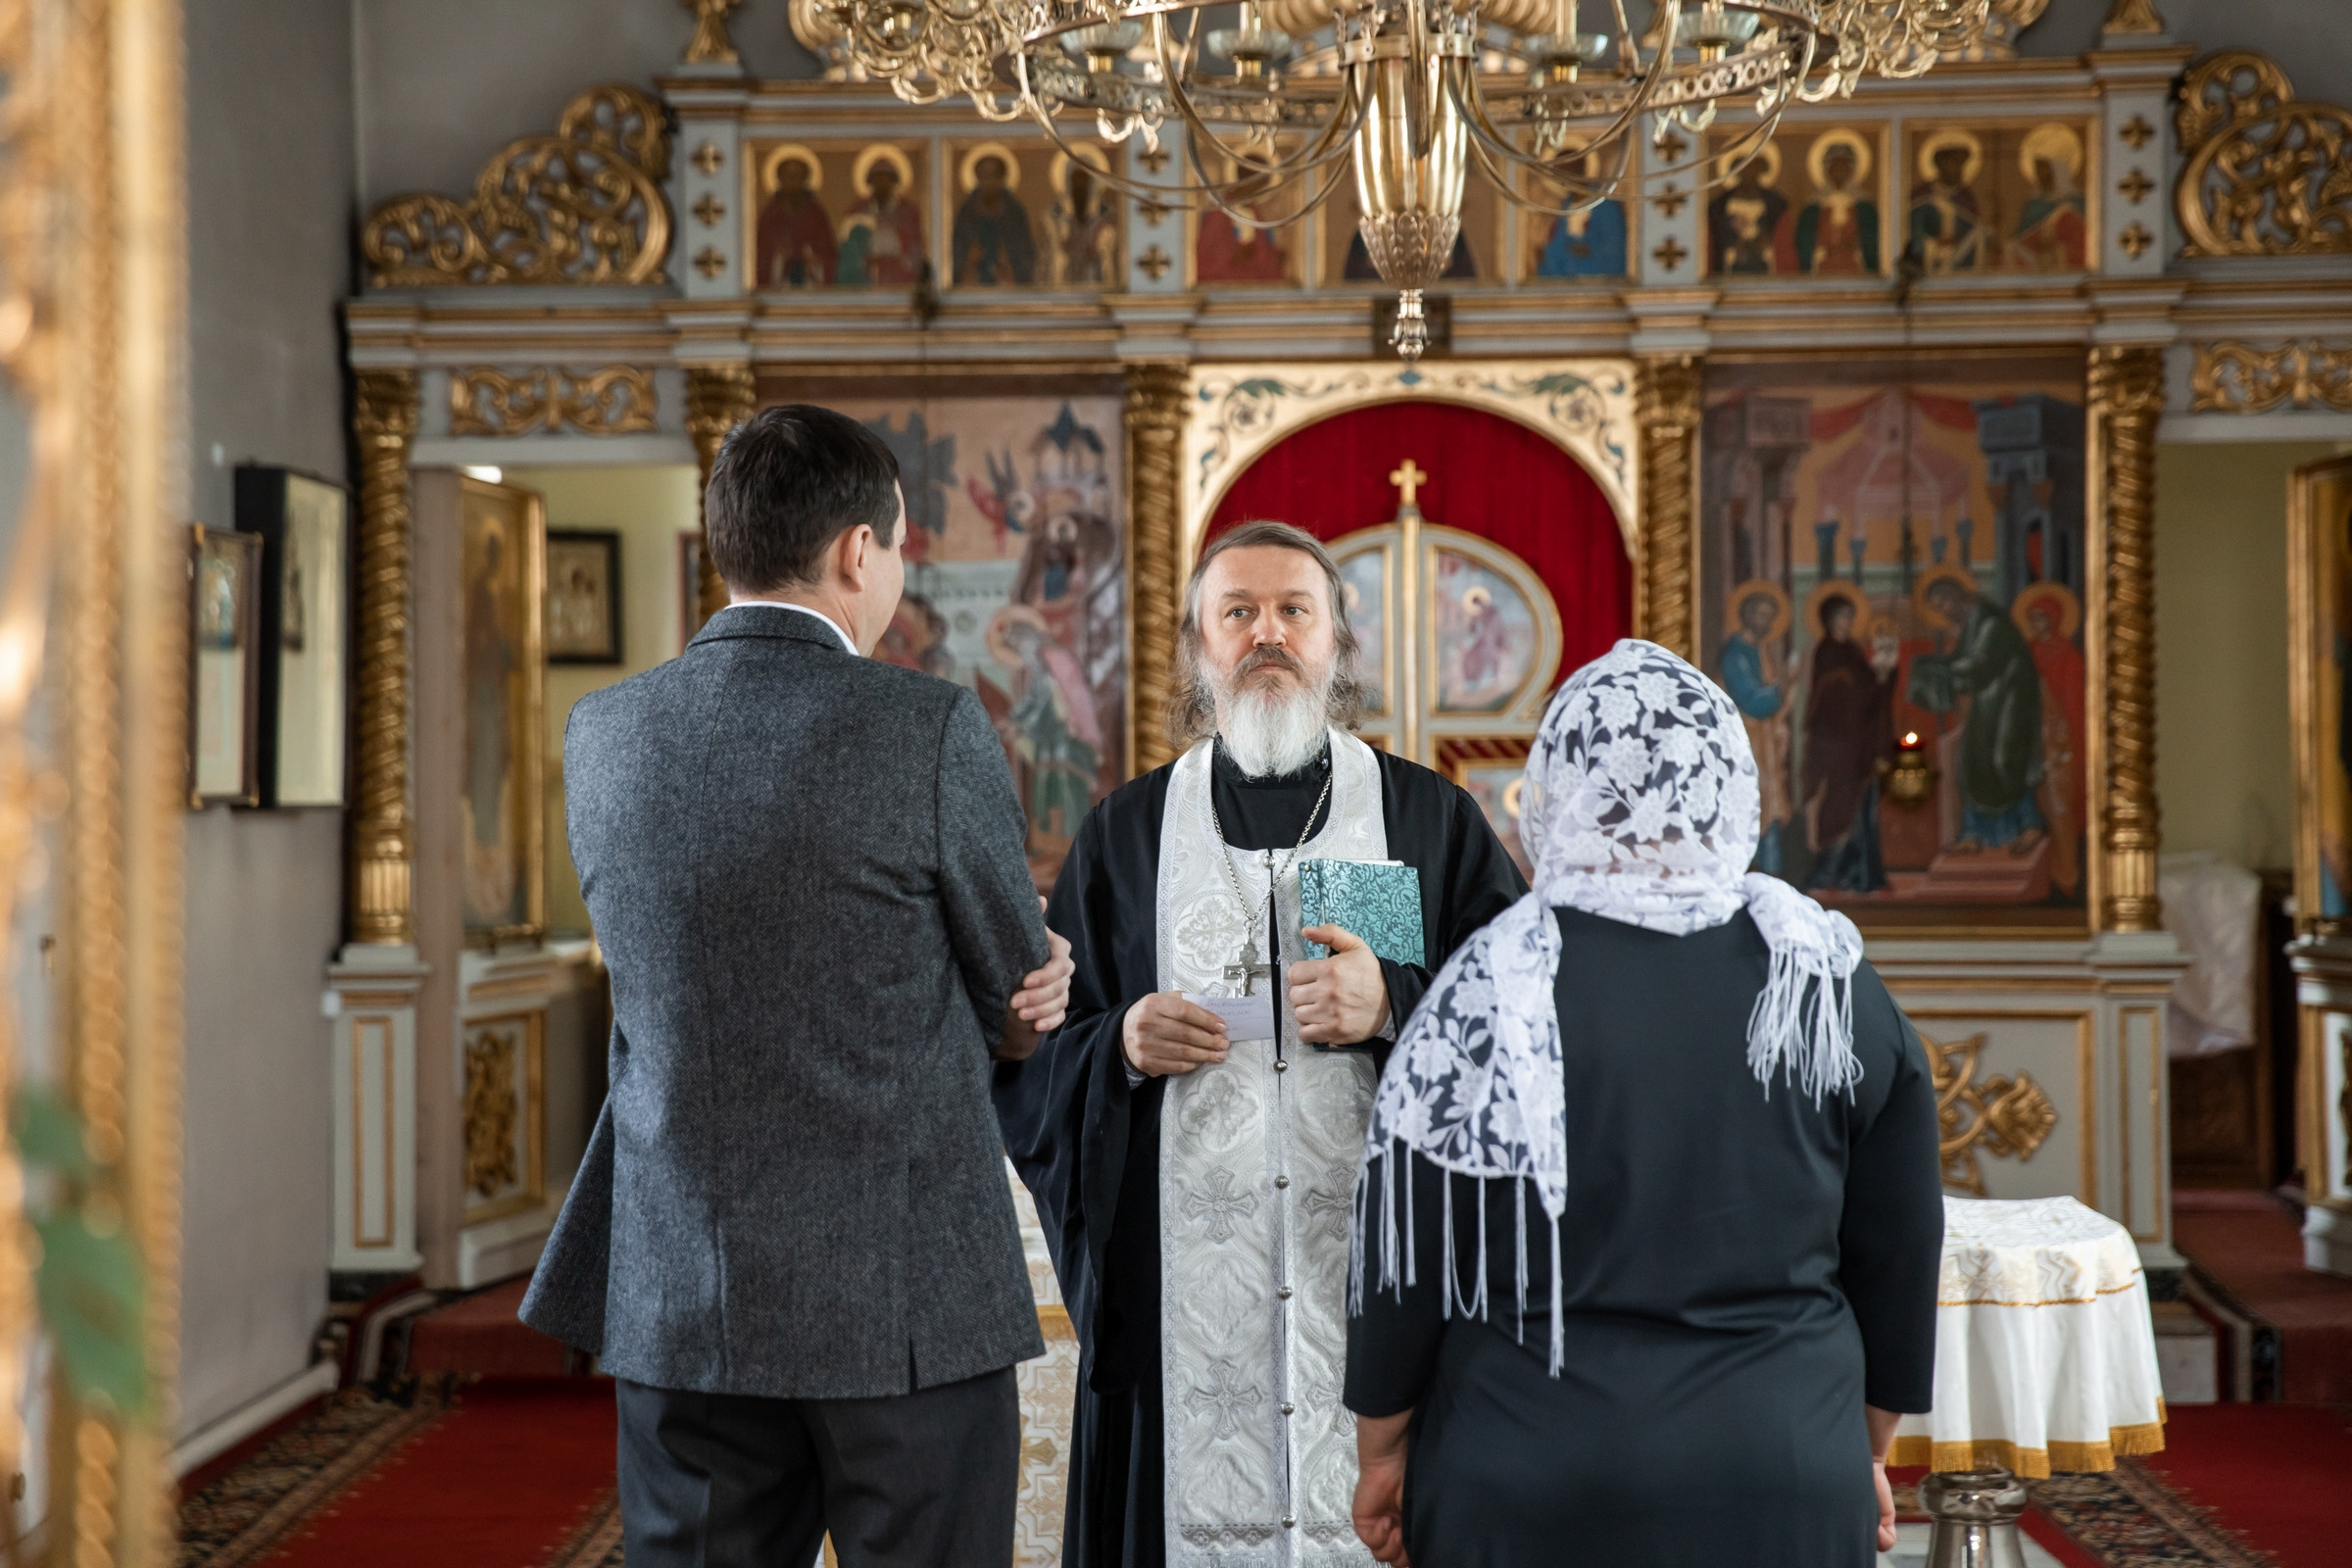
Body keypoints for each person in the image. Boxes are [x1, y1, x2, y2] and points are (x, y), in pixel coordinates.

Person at [520, 405, 1075, 1568]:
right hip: (903, 1299)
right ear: (859, 552)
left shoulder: (604, 731)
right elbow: (1013, 993)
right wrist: (1032, 992)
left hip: (684, 1287)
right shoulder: (925, 725)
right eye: (904, 546)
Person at [1346, 640, 1943, 1567]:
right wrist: (1856, 1448)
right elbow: (1901, 1252)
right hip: (1780, 1465)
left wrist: (1382, 1454)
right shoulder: (1826, 980)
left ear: (1561, 787)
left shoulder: (1487, 986)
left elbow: (1408, 1252)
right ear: (1729, 782)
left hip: (1531, 1471)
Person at [996, 519, 1525, 1566]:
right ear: (1199, 645)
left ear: (1338, 640)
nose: (1267, 635)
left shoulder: (1425, 822)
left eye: (1294, 610)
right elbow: (1041, 1054)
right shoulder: (1128, 832)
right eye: (1238, 612)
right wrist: (1121, 1044)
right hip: (1186, 1320)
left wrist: (1394, 1004)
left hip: (1381, 1294)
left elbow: (1533, 1032)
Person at [1908, 570, 2045, 855]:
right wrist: (1931, 665)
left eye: (1943, 603)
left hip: (2012, 705)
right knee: (1971, 763)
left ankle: (2029, 826)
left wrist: (1941, 671)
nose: (1943, 612)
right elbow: (1962, 661)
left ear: (1957, 597)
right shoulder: (1974, 624)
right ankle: (1973, 834)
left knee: (2007, 761)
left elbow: (1979, 666)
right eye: (1936, 608)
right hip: (1988, 706)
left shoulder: (1992, 622)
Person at [1803, 588, 1896, 892]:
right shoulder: (1826, 652)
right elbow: (1832, 696)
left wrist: (1884, 674)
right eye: (1841, 617)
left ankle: (1859, 874)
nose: (1846, 623)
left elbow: (1870, 696)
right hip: (1836, 746)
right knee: (1839, 807)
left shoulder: (1854, 651)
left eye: (1849, 617)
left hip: (1861, 745)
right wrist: (1870, 682)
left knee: (1862, 809)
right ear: (1828, 620)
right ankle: (1828, 872)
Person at [955, 154, 1039, 285]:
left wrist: (1008, 262)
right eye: (984, 176)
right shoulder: (967, 213)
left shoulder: (1014, 213)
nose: (989, 182)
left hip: (1007, 285)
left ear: (1001, 178)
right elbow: (957, 254)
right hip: (973, 286)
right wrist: (971, 260)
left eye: (993, 175)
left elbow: (1024, 255)